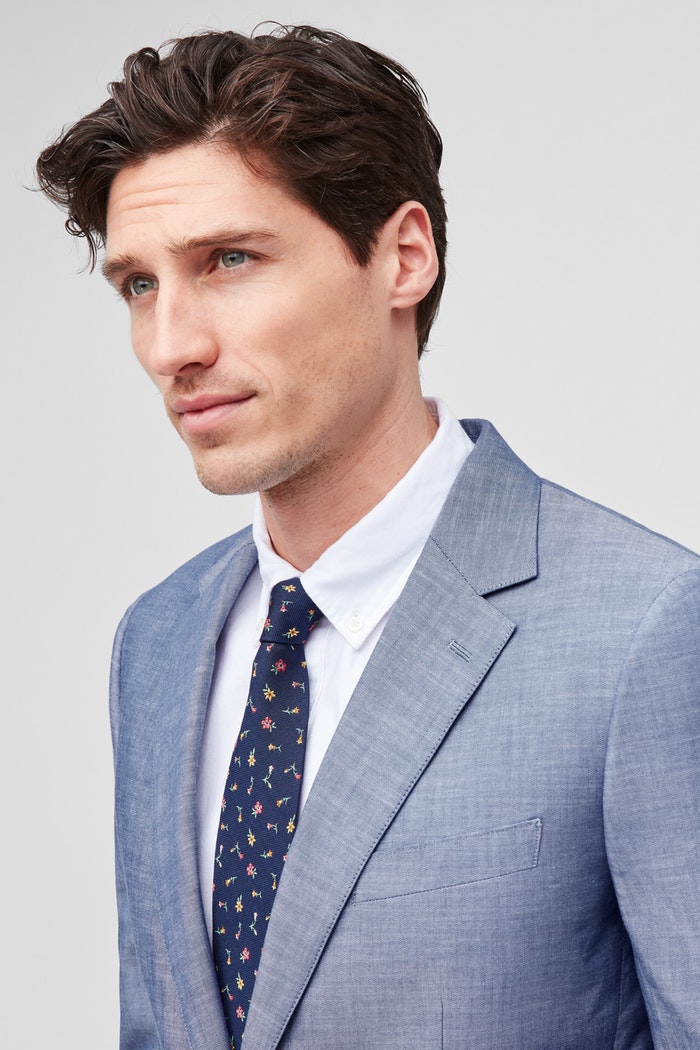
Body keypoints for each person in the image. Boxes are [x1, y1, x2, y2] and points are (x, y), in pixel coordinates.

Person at [36, 24, 700, 1050]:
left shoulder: (643, 629)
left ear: (402, 257)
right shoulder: (156, 642)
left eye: (230, 259)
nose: (171, 346)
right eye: (139, 285)